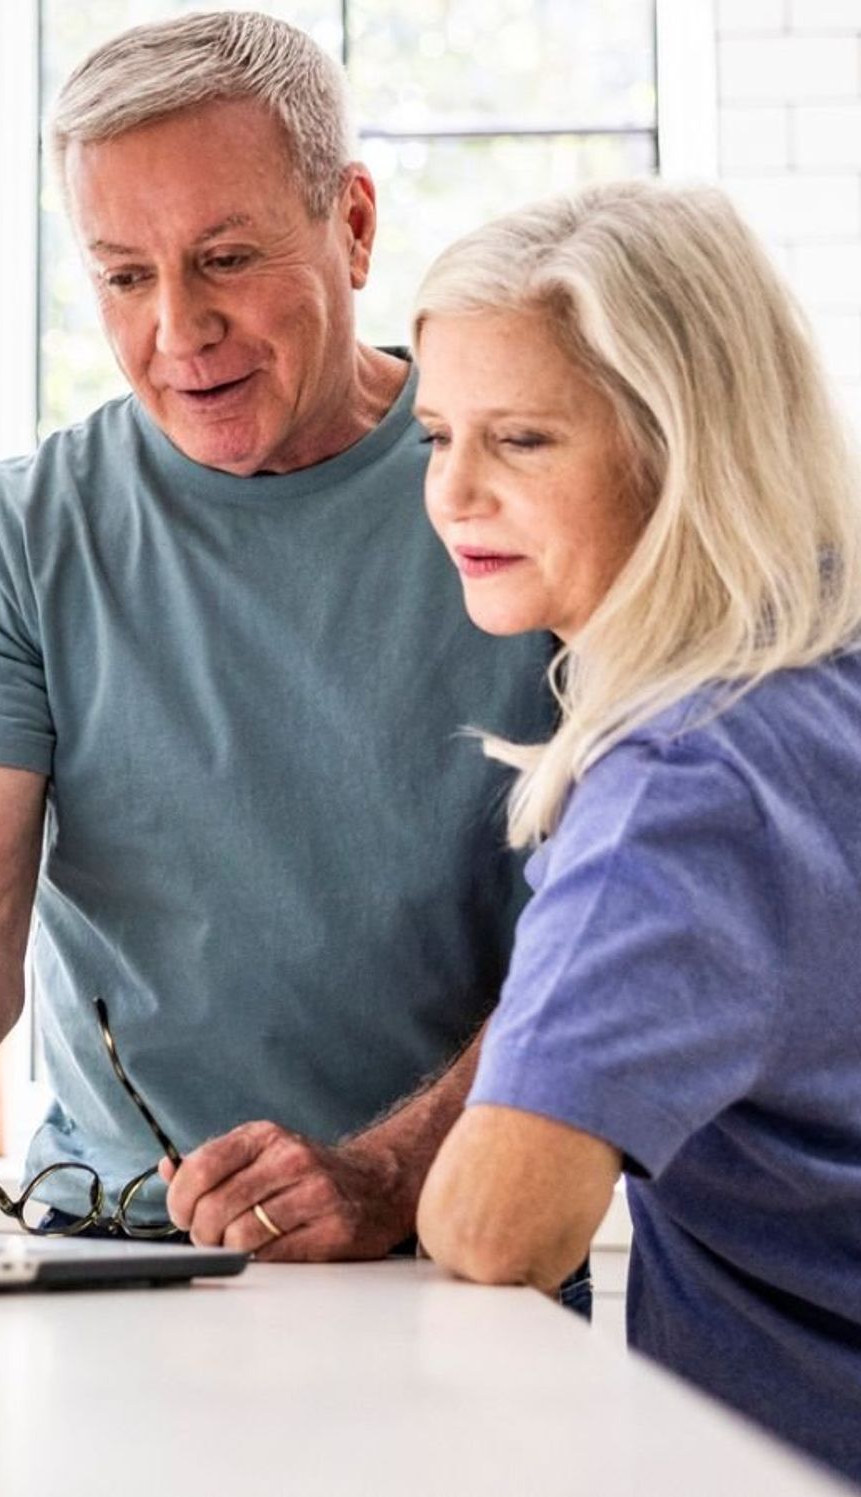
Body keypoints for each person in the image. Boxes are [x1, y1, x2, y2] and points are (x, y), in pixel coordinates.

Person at [0, 10, 559, 1270]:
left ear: (352, 225)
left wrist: (381, 1175)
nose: (176, 331)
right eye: (124, 276)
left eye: (226, 257)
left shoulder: (508, 489)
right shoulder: (13, 541)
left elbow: (596, 938)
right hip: (108, 1250)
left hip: (449, 1246)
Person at [411, 181, 861, 1483]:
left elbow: (500, 1225)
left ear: (681, 445)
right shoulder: (825, 673)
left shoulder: (680, 782)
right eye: (438, 434)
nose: (456, 494)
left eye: (525, 440)